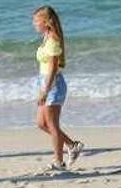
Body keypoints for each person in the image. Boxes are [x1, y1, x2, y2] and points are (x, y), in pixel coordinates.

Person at [32, 6, 83, 171]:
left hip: (52, 84)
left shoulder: (53, 39)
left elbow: (53, 67)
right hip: (44, 82)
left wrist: (46, 90)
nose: (34, 24)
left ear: (46, 22)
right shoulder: (46, 37)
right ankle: (72, 145)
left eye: (36, 21)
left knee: (53, 125)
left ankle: (58, 163)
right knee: (41, 123)